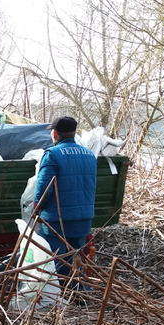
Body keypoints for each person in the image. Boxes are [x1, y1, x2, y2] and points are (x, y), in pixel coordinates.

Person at [33, 116, 97, 289]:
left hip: (57, 220)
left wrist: (37, 205)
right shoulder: (90, 155)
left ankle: (56, 299)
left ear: (55, 134)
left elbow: (43, 187)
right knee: (76, 260)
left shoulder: (52, 155)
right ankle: (80, 295)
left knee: (53, 262)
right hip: (83, 218)